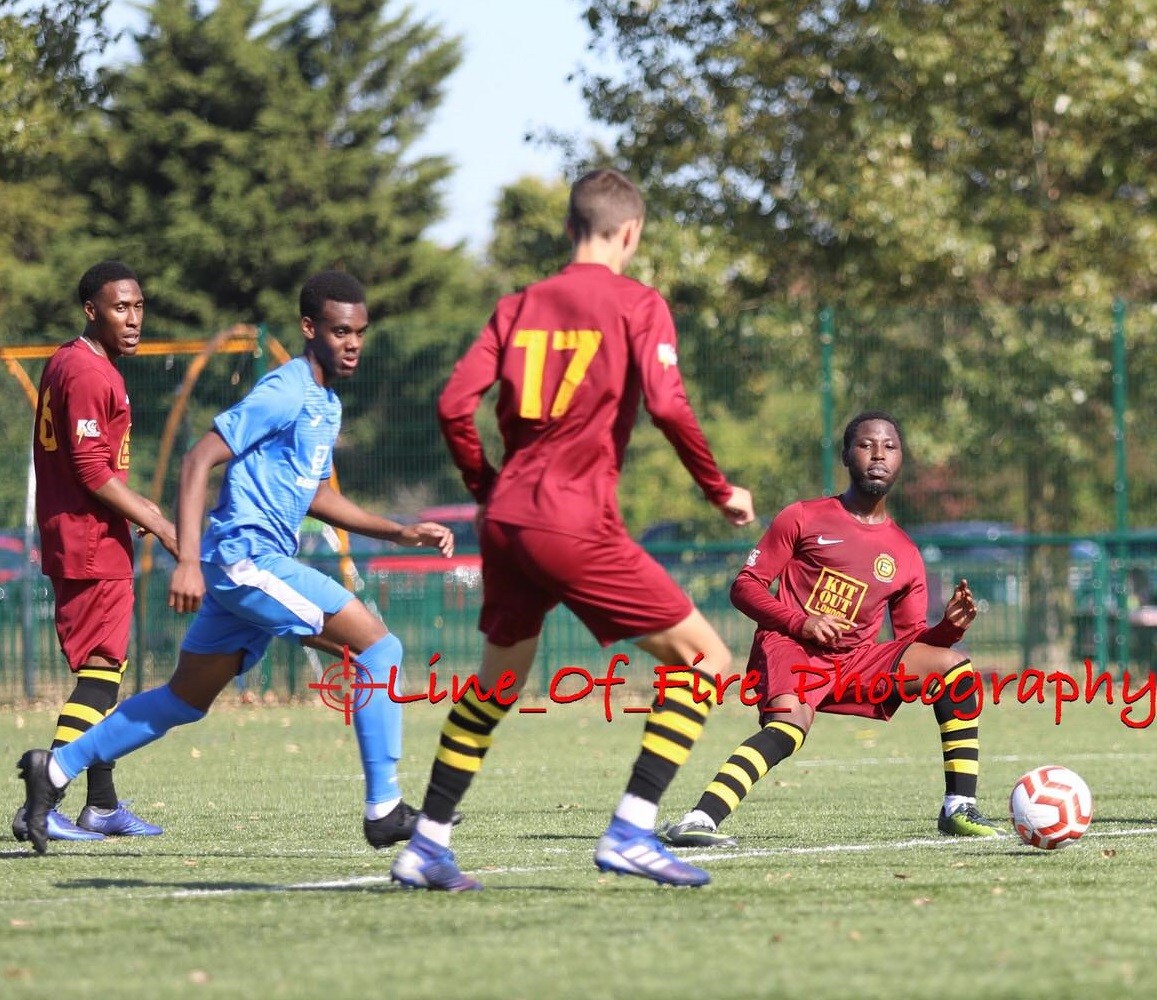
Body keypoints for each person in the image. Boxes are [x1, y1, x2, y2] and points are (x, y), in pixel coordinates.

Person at [390, 167, 755, 891]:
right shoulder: (637, 304)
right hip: (572, 518)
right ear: (631, 233)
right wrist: (719, 490)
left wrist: (485, 487)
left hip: (505, 520)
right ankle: (632, 829)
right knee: (707, 662)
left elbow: (453, 404)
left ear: (568, 230)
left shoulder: (518, 303)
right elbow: (671, 407)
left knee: (494, 686)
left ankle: (426, 842)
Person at [16, 270, 455, 854]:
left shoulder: (324, 403)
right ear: (309, 328)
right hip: (247, 560)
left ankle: (55, 772)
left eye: (360, 332)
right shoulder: (285, 390)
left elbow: (317, 496)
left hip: (247, 568)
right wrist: (189, 559)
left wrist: (398, 530)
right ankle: (384, 809)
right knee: (380, 648)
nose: (352, 342)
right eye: (340, 330)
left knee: (182, 700)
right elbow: (199, 459)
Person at [661, 411, 1003, 849]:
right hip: (790, 646)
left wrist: (948, 631)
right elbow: (744, 587)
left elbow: (910, 640)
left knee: (954, 669)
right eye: (865, 444)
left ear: (901, 461)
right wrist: (800, 621)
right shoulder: (803, 517)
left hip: (855, 661)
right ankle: (699, 820)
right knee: (788, 729)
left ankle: (958, 808)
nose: (878, 454)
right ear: (846, 455)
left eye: (890, 447)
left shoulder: (905, 553)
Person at [10, 261, 178, 845]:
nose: (133, 320)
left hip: (84, 538)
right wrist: (155, 517)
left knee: (103, 671)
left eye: (138, 307)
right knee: (101, 678)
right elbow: (89, 469)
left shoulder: (70, 360)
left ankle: (101, 807)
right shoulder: (86, 371)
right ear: (91, 311)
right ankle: (43, 800)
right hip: (89, 541)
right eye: (120, 308)